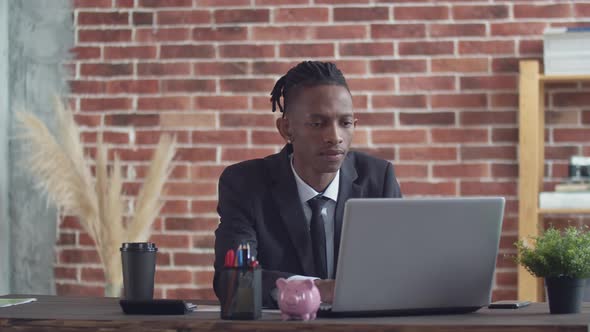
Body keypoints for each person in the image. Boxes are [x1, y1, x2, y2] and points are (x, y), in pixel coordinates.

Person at [213, 61, 402, 308]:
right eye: (317, 123)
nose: (335, 137)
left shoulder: (378, 180)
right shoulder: (245, 184)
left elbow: (399, 273)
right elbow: (232, 280)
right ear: (286, 128)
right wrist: (318, 289)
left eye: (345, 123)